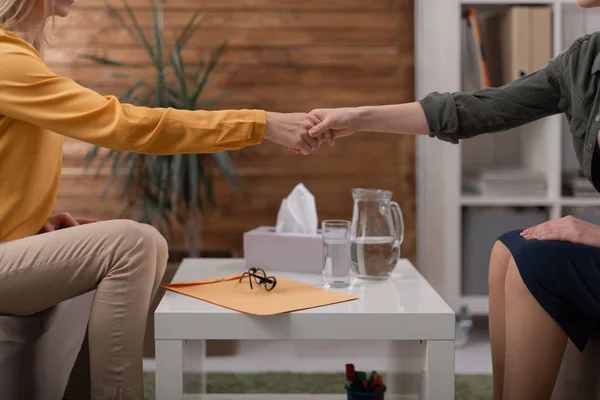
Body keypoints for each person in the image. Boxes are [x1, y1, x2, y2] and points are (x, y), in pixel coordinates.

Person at [0, 0, 327, 399]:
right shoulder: (5, 60)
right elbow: (122, 125)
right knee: (134, 244)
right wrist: (261, 123)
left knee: (135, 245)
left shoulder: (18, 57)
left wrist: (38, 224)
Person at [308, 1, 600, 399]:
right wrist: (357, 118)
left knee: (539, 262)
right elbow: (476, 109)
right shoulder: (585, 61)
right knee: (508, 250)